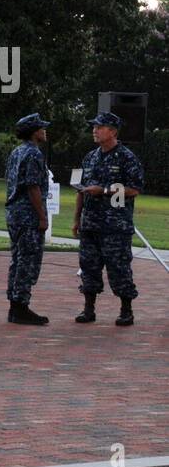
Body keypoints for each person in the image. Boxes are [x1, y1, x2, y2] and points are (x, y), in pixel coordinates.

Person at [73, 112, 144, 326]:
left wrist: (104, 191)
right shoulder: (90, 157)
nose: (94, 130)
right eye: (93, 127)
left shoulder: (126, 157)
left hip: (115, 225)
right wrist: (77, 219)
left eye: (99, 127)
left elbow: (134, 190)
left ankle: (126, 311)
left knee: (119, 267)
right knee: (89, 266)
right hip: (90, 224)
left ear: (112, 131)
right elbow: (81, 190)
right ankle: (88, 309)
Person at [4, 113, 52, 325]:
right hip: (28, 214)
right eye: (41, 128)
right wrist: (42, 216)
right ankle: (21, 306)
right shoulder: (33, 154)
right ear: (34, 132)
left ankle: (15, 305)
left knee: (18, 259)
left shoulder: (17, 152)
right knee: (28, 260)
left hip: (14, 213)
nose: (44, 131)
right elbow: (33, 186)